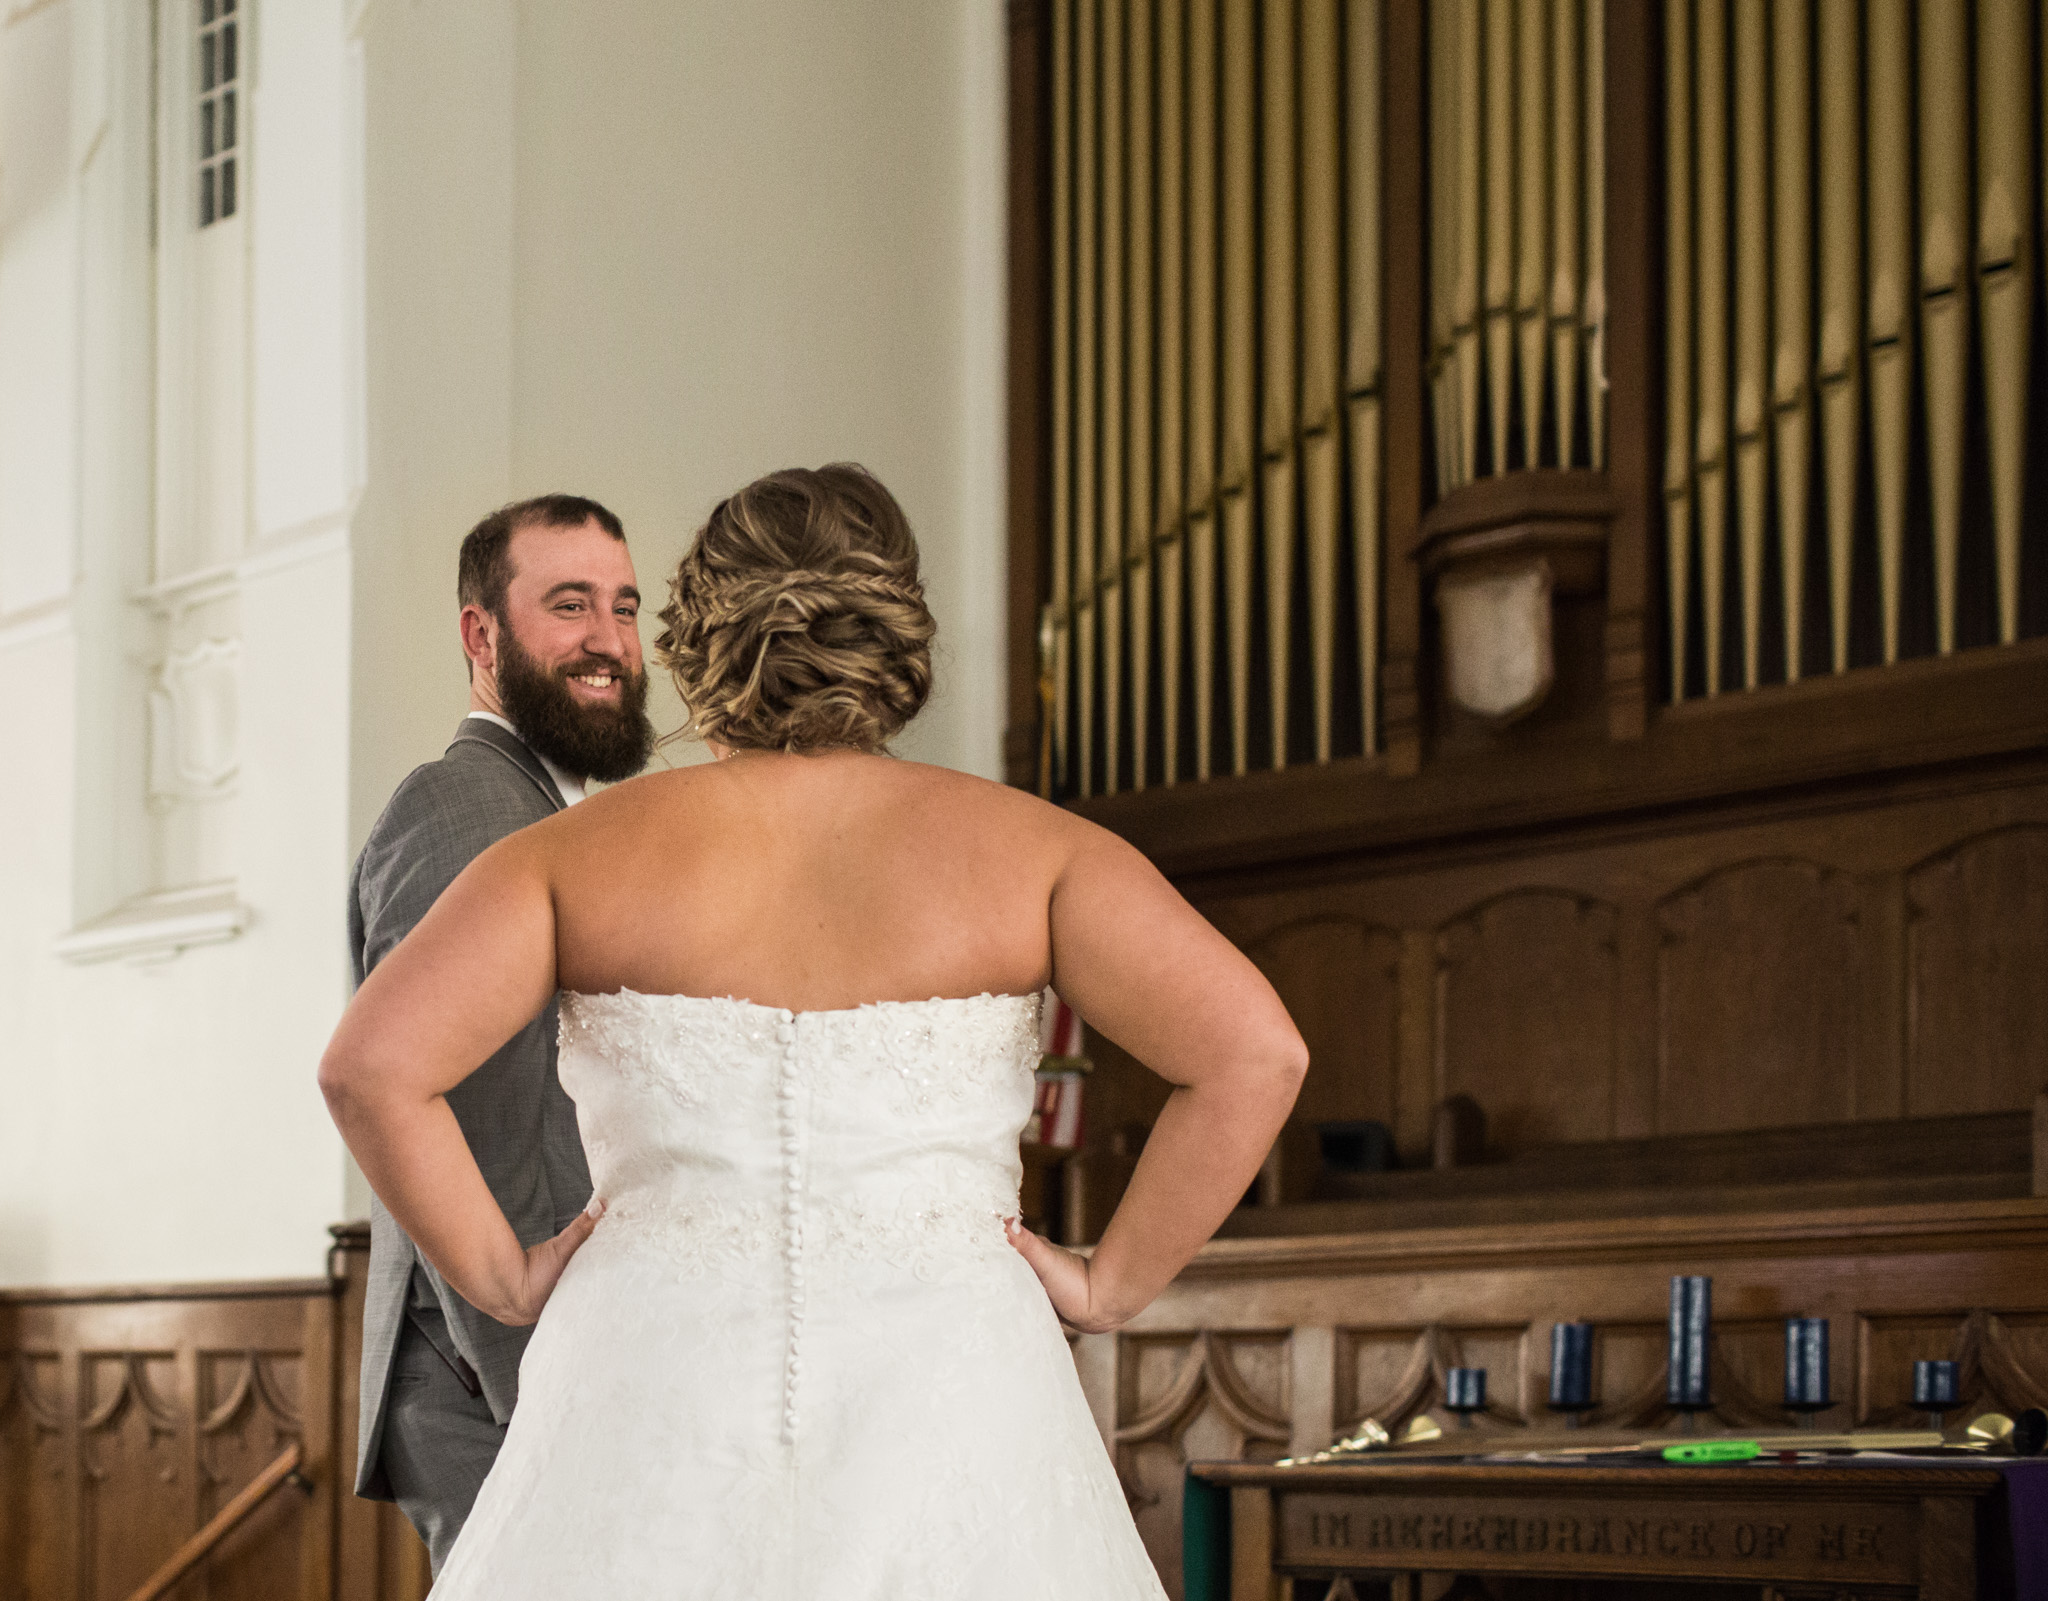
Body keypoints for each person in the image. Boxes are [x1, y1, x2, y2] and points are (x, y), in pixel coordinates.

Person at [320, 464, 1306, 1597]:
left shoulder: (577, 852)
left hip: (646, 1389)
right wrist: (1109, 1284)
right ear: (895, 628)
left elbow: (371, 1067)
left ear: (698, 629)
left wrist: (503, 1275)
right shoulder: (1035, 850)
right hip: (954, 1389)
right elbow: (1255, 1052)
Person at [346, 493, 655, 1570]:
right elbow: (482, 1122)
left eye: (623, 606)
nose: (609, 640)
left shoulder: (546, 811)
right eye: (569, 605)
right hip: (495, 1376)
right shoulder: (465, 808)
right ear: (481, 633)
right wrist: (547, 1382)